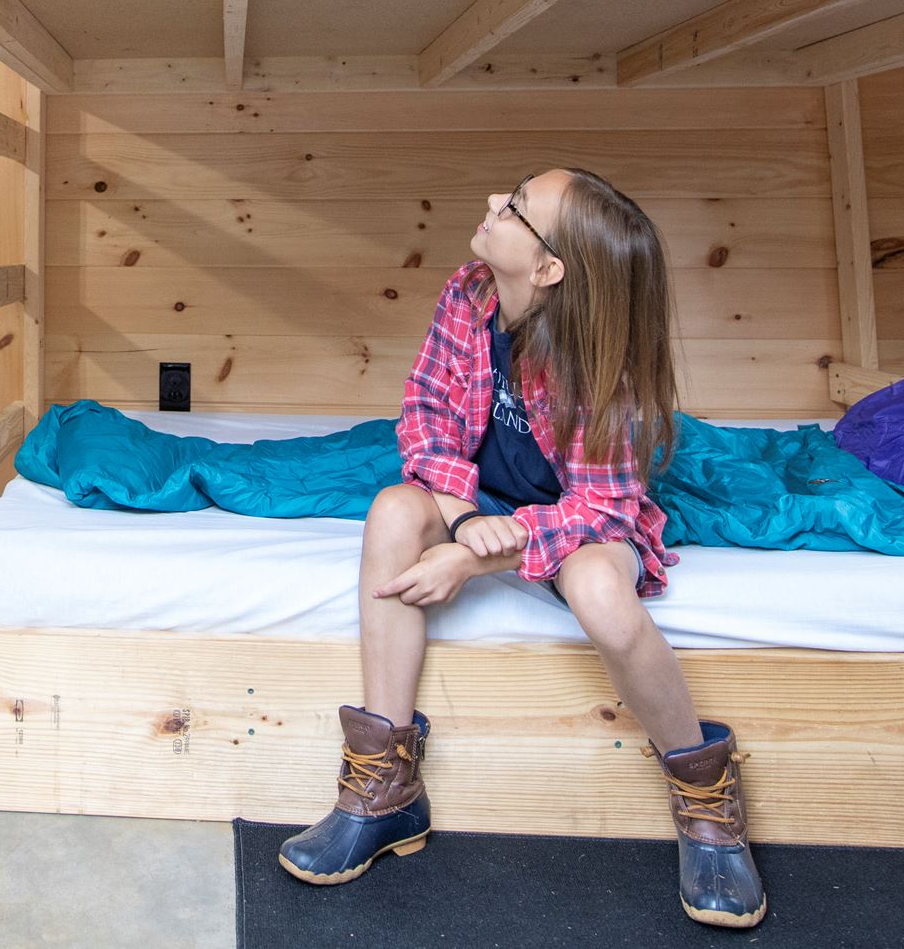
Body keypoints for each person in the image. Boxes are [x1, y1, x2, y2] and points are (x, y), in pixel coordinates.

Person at [278, 168, 768, 929]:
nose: (489, 206)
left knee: (603, 598)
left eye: (512, 209)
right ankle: (383, 790)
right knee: (390, 514)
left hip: (577, 519)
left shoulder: (611, 367)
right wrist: (462, 514)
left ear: (548, 269)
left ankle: (706, 802)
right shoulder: (469, 293)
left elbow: (599, 507)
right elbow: (425, 414)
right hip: (486, 502)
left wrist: (474, 558)